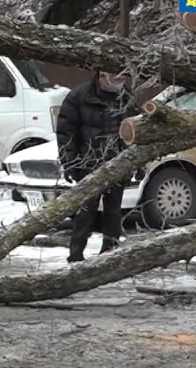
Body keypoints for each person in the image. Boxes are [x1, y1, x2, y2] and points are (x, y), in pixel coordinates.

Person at [55, 70, 140, 263]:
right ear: (102, 76)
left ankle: (109, 253)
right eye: (115, 78)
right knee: (86, 212)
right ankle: (76, 254)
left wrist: (138, 163)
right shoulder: (79, 96)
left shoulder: (126, 98)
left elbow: (138, 131)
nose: (120, 82)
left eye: (122, 78)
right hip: (89, 163)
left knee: (113, 212)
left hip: (118, 163)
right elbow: (66, 133)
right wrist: (69, 162)